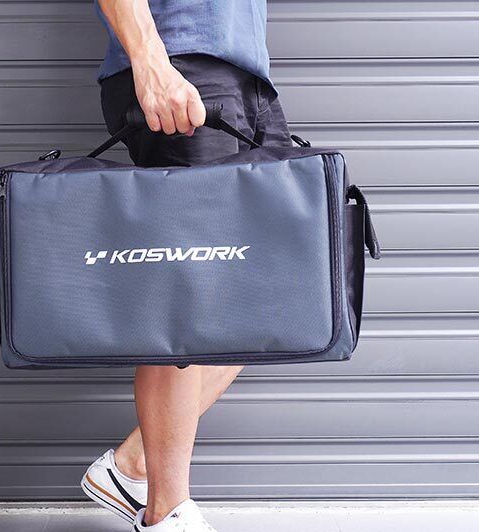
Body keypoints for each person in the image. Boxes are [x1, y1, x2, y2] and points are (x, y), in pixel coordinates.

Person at [80, 1, 292, 530]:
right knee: (187, 296)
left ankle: (133, 464)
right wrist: (151, 61)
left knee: (281, 286)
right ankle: (166, 510)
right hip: (181, 66)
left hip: (246, 78)